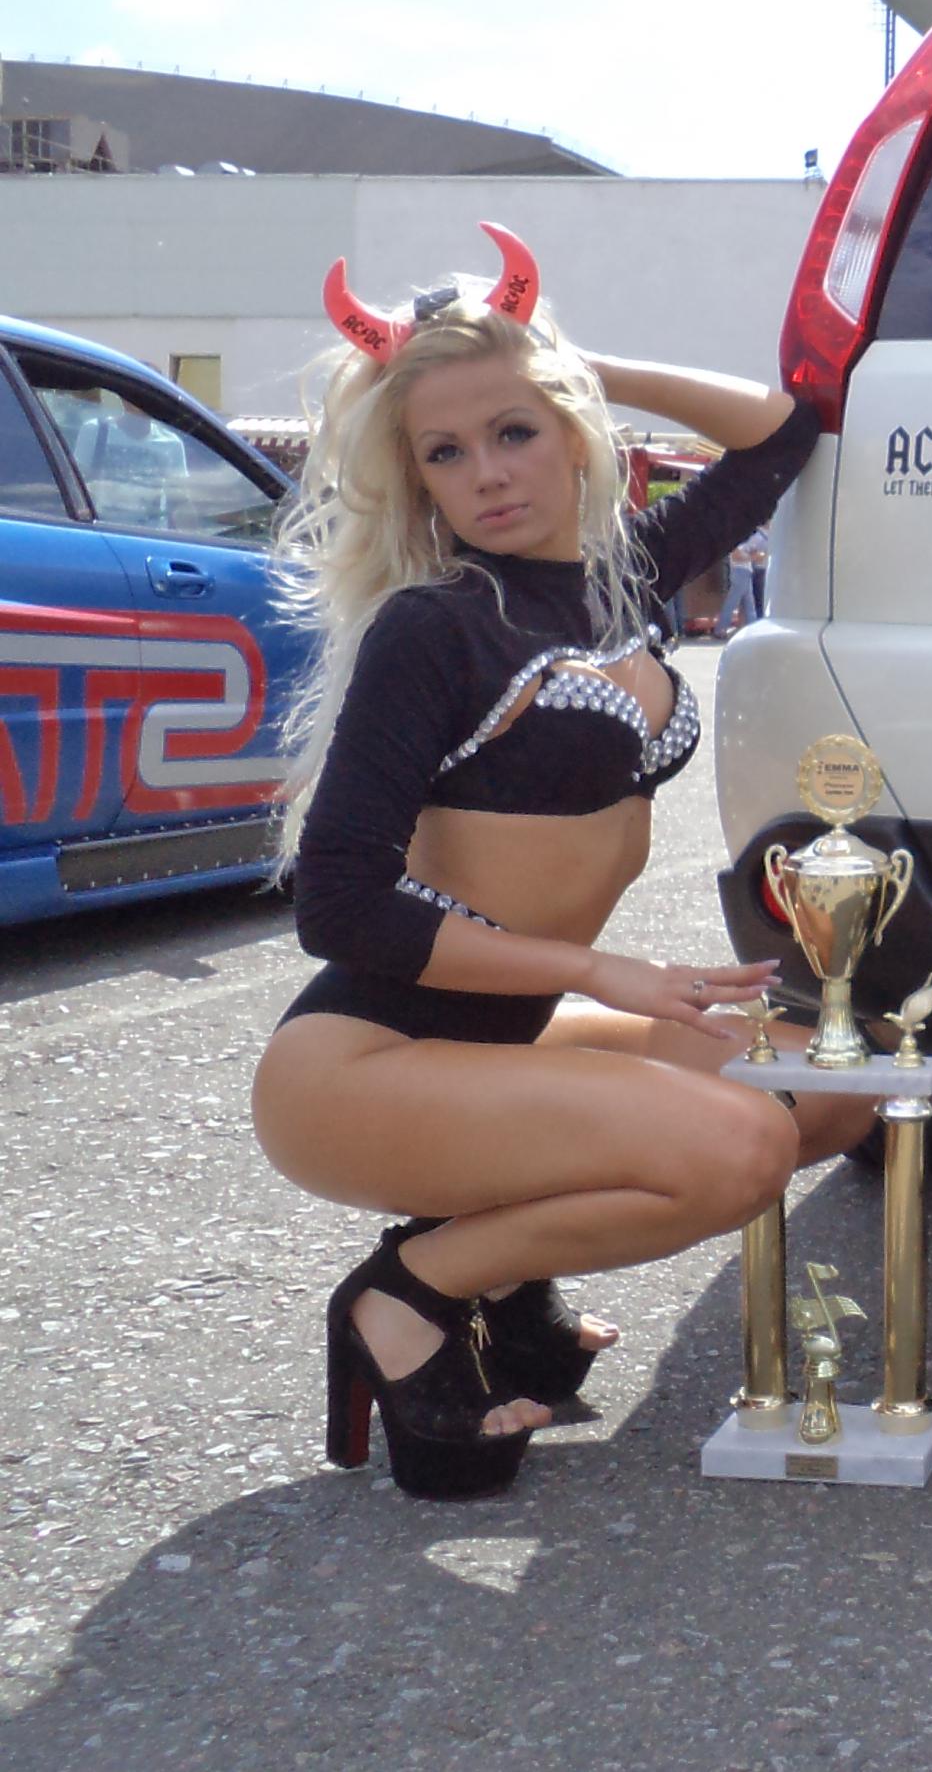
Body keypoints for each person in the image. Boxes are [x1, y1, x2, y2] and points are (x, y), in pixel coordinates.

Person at [250, 224, 877, 1499]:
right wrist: (602, 970)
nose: (486, 472)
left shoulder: (619, 579)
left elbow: (781, 434)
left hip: (506, 1040)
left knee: (835, 1091)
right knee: (737, 1152)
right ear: (417, 479)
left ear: (573, 430)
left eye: (515, 430)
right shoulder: (436, 626)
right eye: (444, 451)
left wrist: (572, 361)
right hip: (364, 1064)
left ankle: (499, 1280)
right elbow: (339, 904)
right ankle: (410, 1293)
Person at [79, 396, 188, 528]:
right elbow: (77, 484)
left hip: (150, 533)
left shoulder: (171, 443)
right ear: (124, 399)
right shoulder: (96, 430)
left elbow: (179, 501)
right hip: (103, 529)